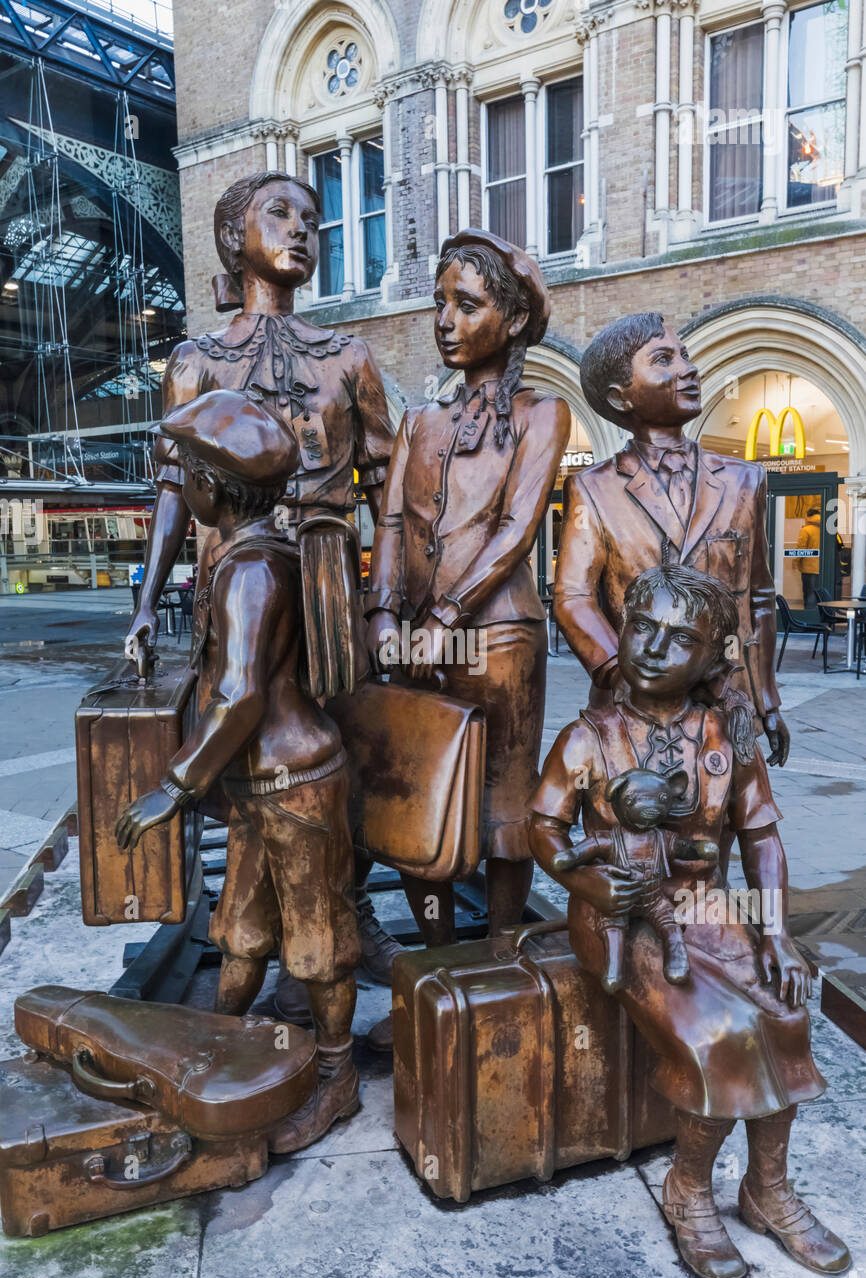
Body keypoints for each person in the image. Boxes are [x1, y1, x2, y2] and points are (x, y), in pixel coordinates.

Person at [529, 563, 849, 1278]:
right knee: (718, 1033)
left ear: (710, 659)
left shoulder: (724, 734)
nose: (648, 647)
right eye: (640, 626)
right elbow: (543, 825)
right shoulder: (592, 736)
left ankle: (767, 1190)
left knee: (786, 1015)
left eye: (678, 640)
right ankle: (688, 1190)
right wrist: (584, 878)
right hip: (617, 913)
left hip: (707, 909)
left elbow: (762, 836)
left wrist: (774, 934)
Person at [124, 168, 400, 988]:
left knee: (334, 753)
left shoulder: (349, 355)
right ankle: (248, 920)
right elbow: (174, 488)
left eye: (313, 217)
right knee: (246, 754)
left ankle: (344, 917)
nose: (302, 228)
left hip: (327, 586)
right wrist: (146, 604)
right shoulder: (194, 359)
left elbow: (387, 494)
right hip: (235, 573)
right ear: (231, 236)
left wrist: (382, 602)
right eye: (279, 213)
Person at [116, 390, 361, 1152]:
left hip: (296, 783)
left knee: (318, 943)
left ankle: (336, 1076)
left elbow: (241, 694)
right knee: (243, 931)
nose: (181, 490)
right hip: (264, 788)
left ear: (209, 489)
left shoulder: (250, 569)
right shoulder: (257, 555)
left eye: (184, 475)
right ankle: (219, 1045)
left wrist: (176, 785)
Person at [366, 228, 570, 951]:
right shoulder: (420, 421)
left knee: (505, 803)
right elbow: (389, 524)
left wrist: (445, 616)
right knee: (422, 791)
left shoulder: (541, 414)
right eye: (439, 303)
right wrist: (385, 615)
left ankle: (503, 952)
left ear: (512, 320)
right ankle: (439, 960)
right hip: (417, 634)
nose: (445, 321)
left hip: (499, 637)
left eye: (467, 304)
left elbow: (517, 529)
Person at [554, 312, 790, 768]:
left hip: (726, 702)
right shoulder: (593, 488)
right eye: (664, 359)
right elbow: (573, 598)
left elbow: (759, 598)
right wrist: (627, 672)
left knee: (725, 827)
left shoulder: (745, 480)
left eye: (685, 355)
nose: (688, 368)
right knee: (634, 829)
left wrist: (768, 700)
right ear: (620, 398)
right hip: (632, 706)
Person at [794, 507, 822, 609]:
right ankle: (819, 617)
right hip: (822, 568)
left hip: (809, 568)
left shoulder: (806, 530)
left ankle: (809, 617)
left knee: (809, 593)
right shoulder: (823, 529)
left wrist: (795, 561)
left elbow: (801, 548)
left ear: (808, 517)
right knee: (819, 594)